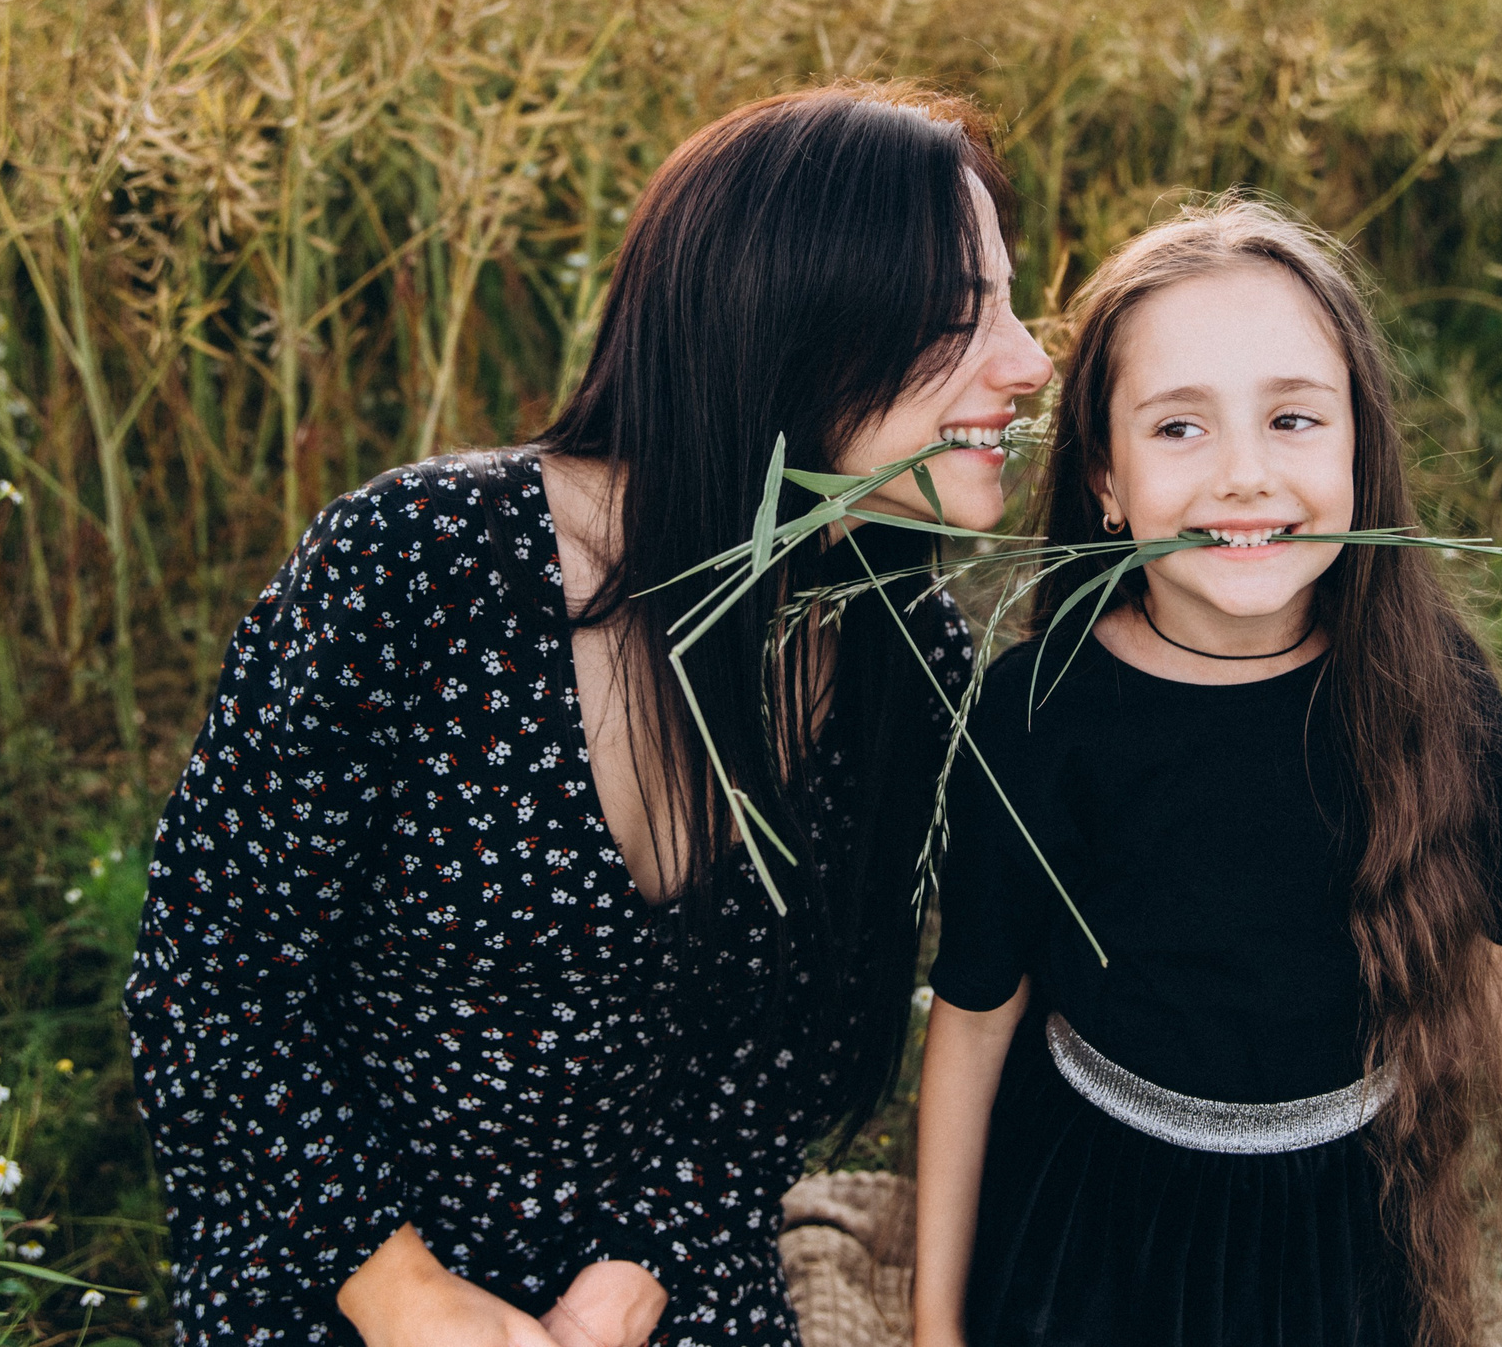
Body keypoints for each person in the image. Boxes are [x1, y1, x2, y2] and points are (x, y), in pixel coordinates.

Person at [124, 81, 1054, 1347]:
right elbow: (211, 980)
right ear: (790, 320)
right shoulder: (421, 562)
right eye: (959, 315)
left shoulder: (902, 649)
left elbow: (793, 1042)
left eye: (1009, 305)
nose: (1028, 361)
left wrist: (642, 1262)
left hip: (660, 1265)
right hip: (336, 1255)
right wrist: (404, 1293)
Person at [912, 194, 1502, 1347]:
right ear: (1105, 478)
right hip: (1095, 1220)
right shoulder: (1038, 708)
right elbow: (976, 1013)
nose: (1244, 474)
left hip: (1340, 1222)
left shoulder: (1430, 683)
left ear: (1360, 446)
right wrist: (934, 1319)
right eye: (1178, 427)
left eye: (1293, 418)